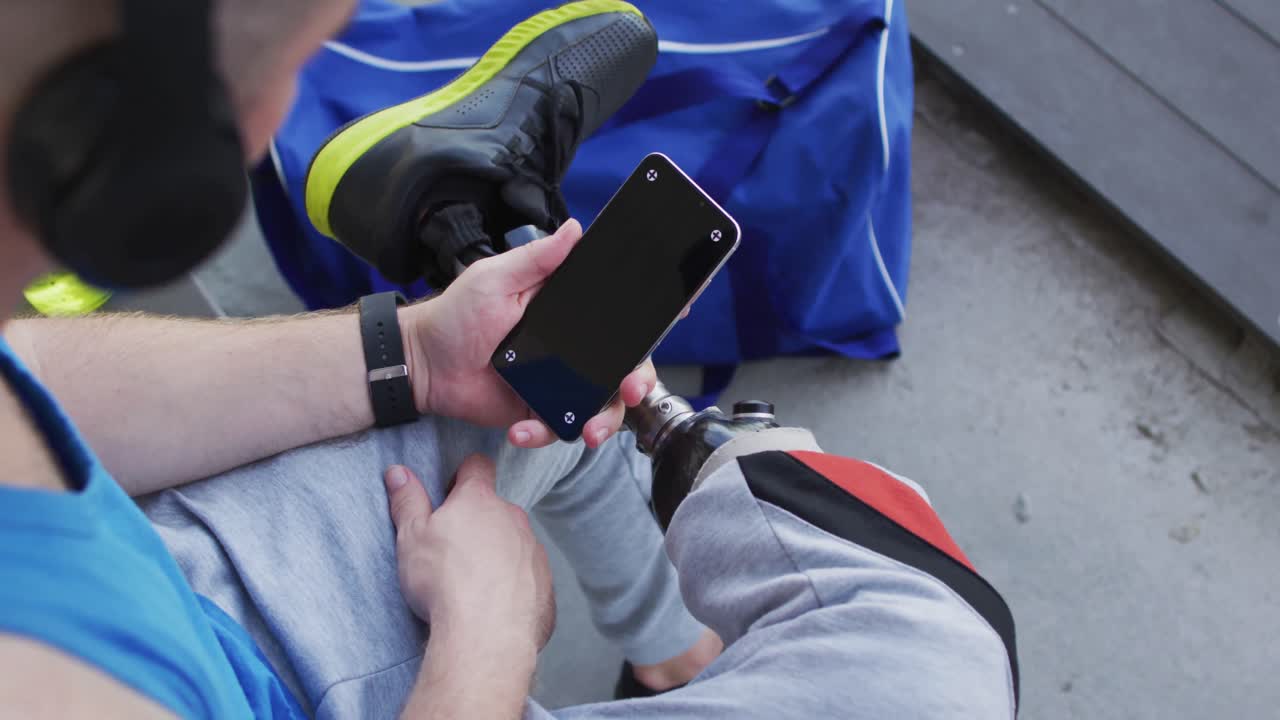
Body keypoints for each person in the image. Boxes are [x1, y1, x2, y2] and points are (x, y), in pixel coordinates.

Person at [0, 1, 1019, 719]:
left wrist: (408, 352)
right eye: (282, 75)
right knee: (933, 656)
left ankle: (665, 651)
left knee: (543, 393)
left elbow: (22, 382)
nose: (267, 124)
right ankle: (470, 221)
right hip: (308, 676)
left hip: (181, 600)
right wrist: (485, 641)